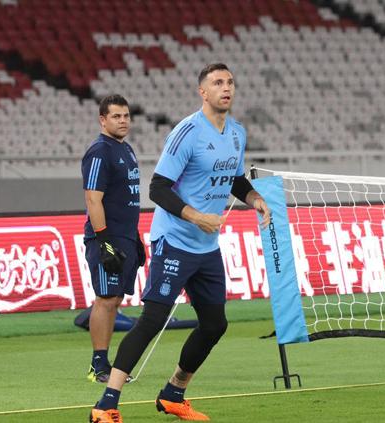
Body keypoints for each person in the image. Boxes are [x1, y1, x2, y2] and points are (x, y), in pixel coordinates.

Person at [89, 63, 271, 423]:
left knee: (215, 324)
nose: (226, 87)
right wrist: (196, 216)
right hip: (174, 240)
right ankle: (107, 402)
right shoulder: (186, 132)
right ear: (202, 92)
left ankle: (174, 392)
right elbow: (158, 188)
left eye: (230, 82)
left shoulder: (236, 133)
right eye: (217, 82)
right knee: (152, 319)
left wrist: (255, 199)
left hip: (206, 247)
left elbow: (234, 179)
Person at [81, 94, 145, 384]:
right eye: (116, 116)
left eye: (126, 116)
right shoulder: (99, 151)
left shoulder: (126, 149)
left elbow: (127, 199)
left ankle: (106, 362)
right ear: (102, 120)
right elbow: (93, 199)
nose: (123, 121)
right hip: (106, 237)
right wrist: (103, 241)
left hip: (126, 236)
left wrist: (137, 239)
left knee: (115, 298)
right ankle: (98, 365)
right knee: (105, 299)